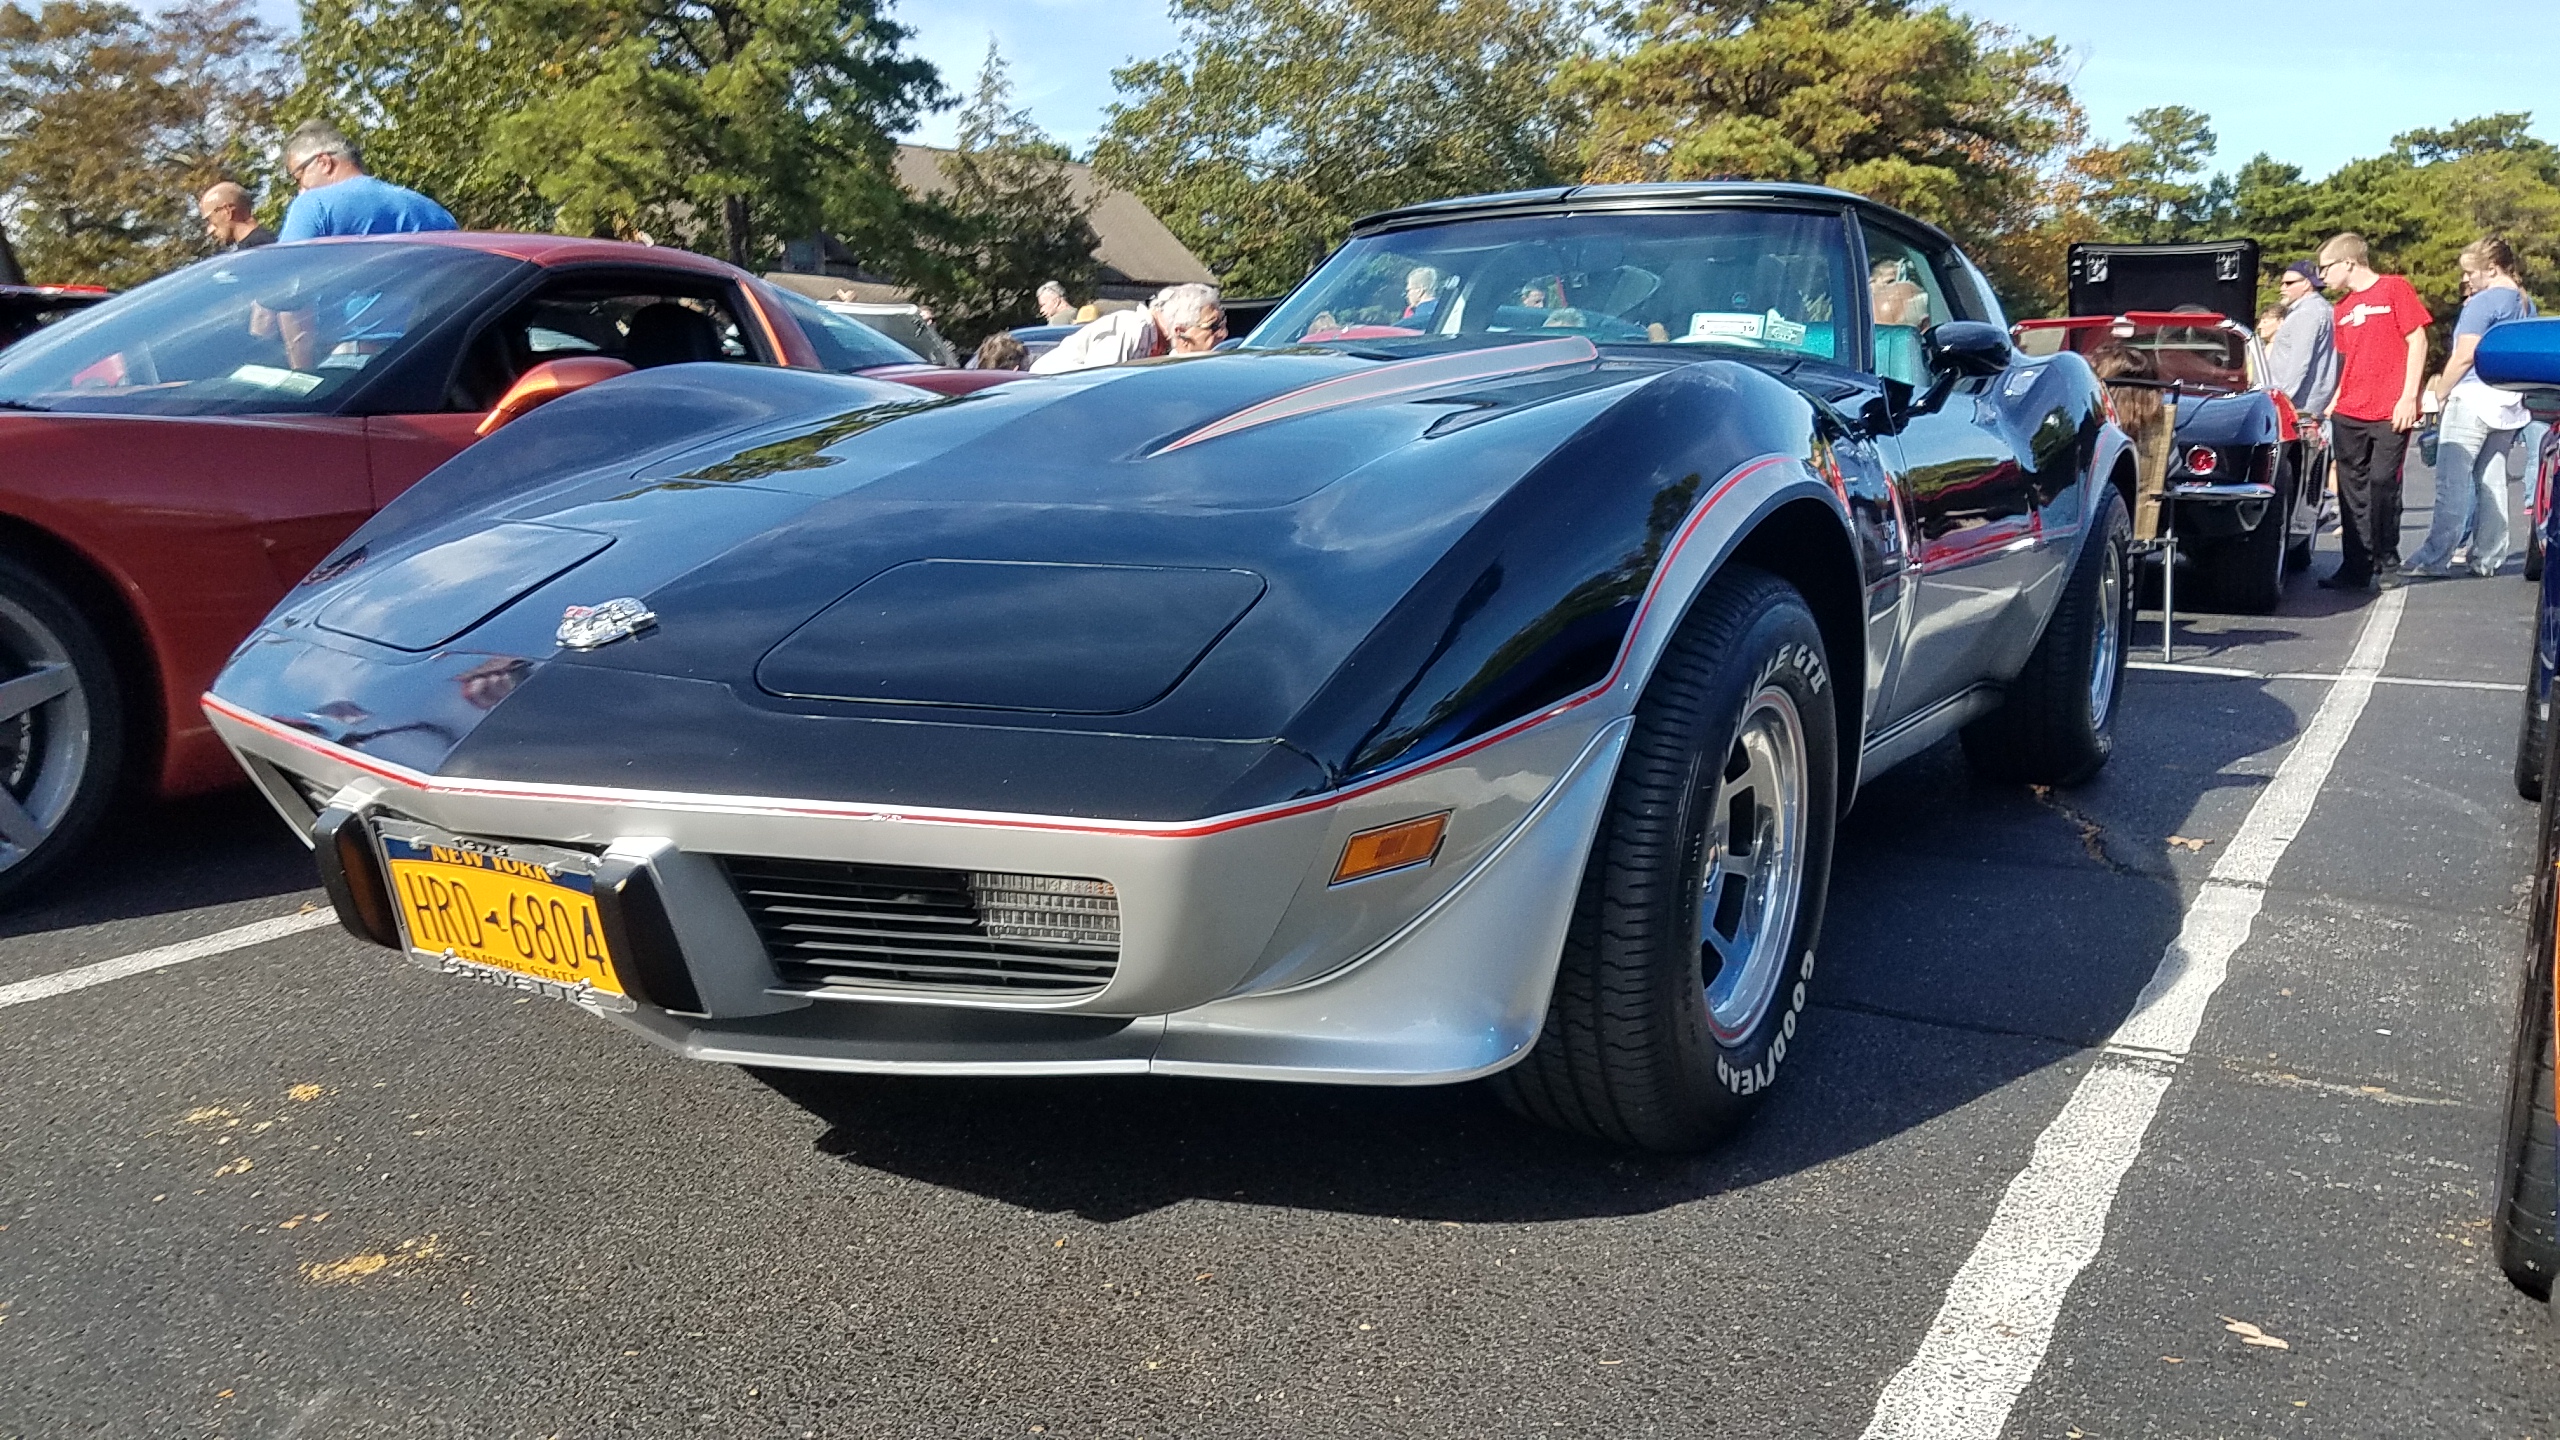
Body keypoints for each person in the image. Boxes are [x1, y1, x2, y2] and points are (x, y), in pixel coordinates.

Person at [2408, 236, 2538, 577]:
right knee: (2491, 479)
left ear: (2491, 269)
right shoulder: (2525, 303)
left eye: (2471, 272)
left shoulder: (2482, 303)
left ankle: (2434, 558)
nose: (2467, 280)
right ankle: (2488, 557)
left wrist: (2440, 392)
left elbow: (2465, 354)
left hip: (2473, 397)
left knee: (2452, 482)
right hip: (2508, 401)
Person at [2315, 232, 2432, 591]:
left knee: (2382, 482)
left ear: (2347, 263)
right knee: (2351, 489)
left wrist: (2409, 396)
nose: (2322, 277)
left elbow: (2418, 340)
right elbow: (2350, 360)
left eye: (2326, 268)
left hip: (2389, 408)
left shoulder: (2395, 288)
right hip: (2350, 410)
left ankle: (2386, 558)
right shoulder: (2342, 310)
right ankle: (2356, 565)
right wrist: (2334, 400)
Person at [276, 119, 457, 242]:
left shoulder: (313, 205)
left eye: (299, 176)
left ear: (324, 163)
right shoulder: (433, 210)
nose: (300, 188)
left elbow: (282, 277)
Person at [1028, 283, 1224, 374]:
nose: (1222, 334)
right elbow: (1097, 393)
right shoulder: (1130, 330)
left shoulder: (1162, 346)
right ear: (1181, 331)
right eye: (1213, 327)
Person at [2266, 259, 2339, 423]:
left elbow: (2299, 363)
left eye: (2289, 283)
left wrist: (2280, 402)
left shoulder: (2306, 314)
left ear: (2307, 283)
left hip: (2298, 408)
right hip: (2313, 405)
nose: (2282, 288)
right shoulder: (2327, 309)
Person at [196, 182, 274, 252]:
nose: (209, 229)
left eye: (210, 219)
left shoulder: (259, 251)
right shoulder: (265, 245)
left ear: (227, 212)